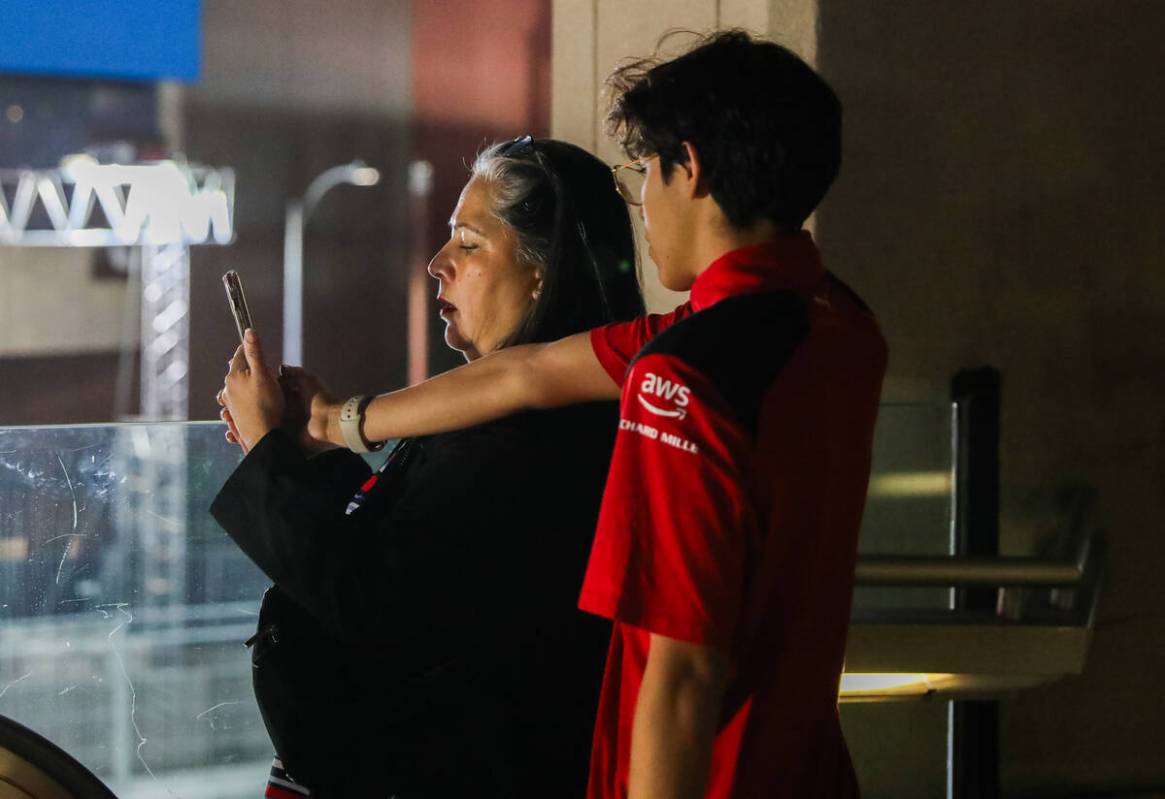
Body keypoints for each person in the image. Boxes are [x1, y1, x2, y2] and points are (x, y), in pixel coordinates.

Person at [291, 31, 888, 798]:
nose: (642, 203)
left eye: (646, 171)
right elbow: (528, 372)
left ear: (691, 169)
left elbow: (680, 670)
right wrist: (341, 419)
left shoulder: (683, 381)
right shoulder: (838, 323)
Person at [213, 136, 644, 798]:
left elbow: (380, 604)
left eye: (469, 244)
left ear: (541, 269)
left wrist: (273, 453)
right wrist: (294, 454)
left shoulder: (534, 436)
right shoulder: (494, 412)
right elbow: (397, 543)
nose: (437, 263)